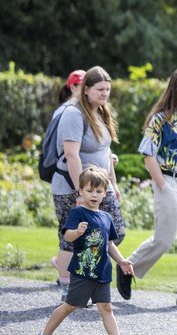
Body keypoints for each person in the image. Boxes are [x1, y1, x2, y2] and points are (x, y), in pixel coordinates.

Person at [116, 67, 177, 309]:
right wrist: (163, 186)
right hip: (169, 182)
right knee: (164, 239)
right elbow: (148, 156)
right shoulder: (158, 119)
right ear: (175, 88)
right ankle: (128, 267)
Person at [35, 166, 142, 335]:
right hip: (83, 272)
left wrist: (122, 261)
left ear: (104, 193)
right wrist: (77, 232)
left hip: (102, 272)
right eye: (90, 190)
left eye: (99, 191)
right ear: (81, 191)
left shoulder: (106, 217)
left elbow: (109, 244)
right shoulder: (78, 213)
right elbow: (67, 236)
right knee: (70, 306)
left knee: (106, 307)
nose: (94, 194)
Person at [51, 67, 127, 302]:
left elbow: (106, 150)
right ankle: (68, 288)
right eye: (100, 89)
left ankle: (80, 272)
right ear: (86, 90)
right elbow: (72, 155)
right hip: (72, 188)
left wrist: (113, 183)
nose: (105, 94)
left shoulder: (100, 111)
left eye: (108, 89)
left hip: (100, 186)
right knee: (71, 240)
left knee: (116, 231)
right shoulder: (74, 114)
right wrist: (80, 193)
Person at [48, 69, 84, 290]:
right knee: (69, 232)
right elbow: (66, 151)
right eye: (83, 85)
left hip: (74, 180)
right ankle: (66, 281)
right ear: (73, 87)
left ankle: (62, 267)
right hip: (67, 180)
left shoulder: (81, 111)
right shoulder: (67, 111)